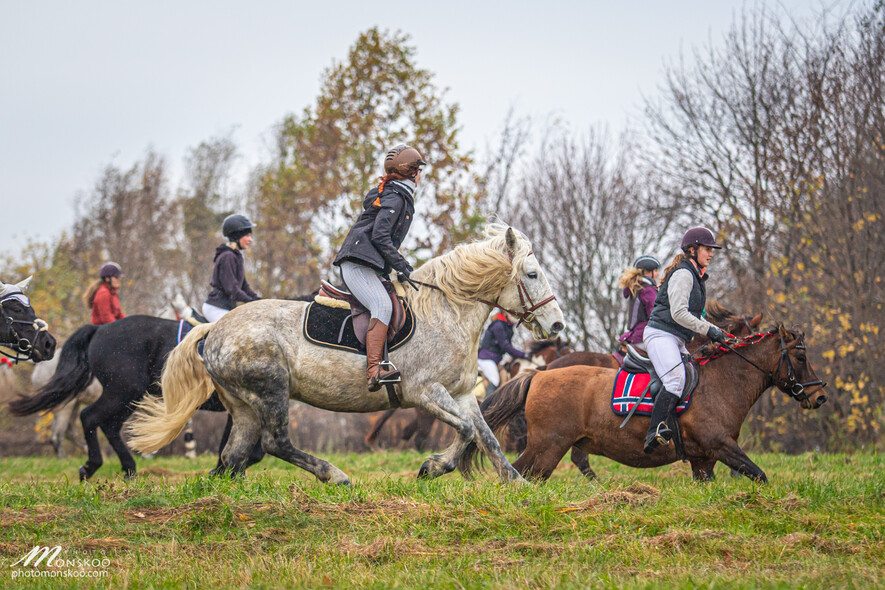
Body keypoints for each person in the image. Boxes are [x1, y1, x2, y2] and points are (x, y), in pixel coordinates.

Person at [333, 144, 426, 391]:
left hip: (368, 265)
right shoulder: (396, 197)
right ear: (412, 172)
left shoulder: (396, 195)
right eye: (419, 170)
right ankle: (374, 370)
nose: (421, 176)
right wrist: (402, 266)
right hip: (357, 264)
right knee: (382, 305)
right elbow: (380, 237)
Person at [642, 227, 729, 454]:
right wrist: (710, 330)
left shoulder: (696, 276)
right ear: (692, 249)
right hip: (661, 335)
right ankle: (654, 431)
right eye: (707, 249)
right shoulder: (683, 274)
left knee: (694, 376)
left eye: (712, 250)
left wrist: (718, 332)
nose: (711, 254)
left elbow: (696, 315)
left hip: (675, 338)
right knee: (675, 381)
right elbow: (679, 313)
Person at [203, 214, 260, 323]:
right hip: (216, 308)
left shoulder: (236, 256)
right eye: (247, 236)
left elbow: (244, 287)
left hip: (226, 308)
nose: (250, 239)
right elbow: (232, 290)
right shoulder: (227, 257)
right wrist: (251, 301)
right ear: (237, 237)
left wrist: (260, 301)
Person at [478, 311, 529, 395]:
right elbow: (505, 346)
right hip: (486, 358)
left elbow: (507, 346)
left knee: (505, 378)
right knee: (495, 380)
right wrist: (523, 355)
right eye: (513, 315)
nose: (516, 318)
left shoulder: (508, 327)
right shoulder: (498, 325)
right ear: (505, 313)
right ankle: (487, 405)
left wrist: (514, 356)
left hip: (495, 359)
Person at [617, 255, 661, 350]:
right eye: (656, 271)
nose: (657, 274)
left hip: (634, 334)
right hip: (644, 335)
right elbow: (655, 315)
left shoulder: (638, 288)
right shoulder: (647, 290)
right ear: (646, 272)